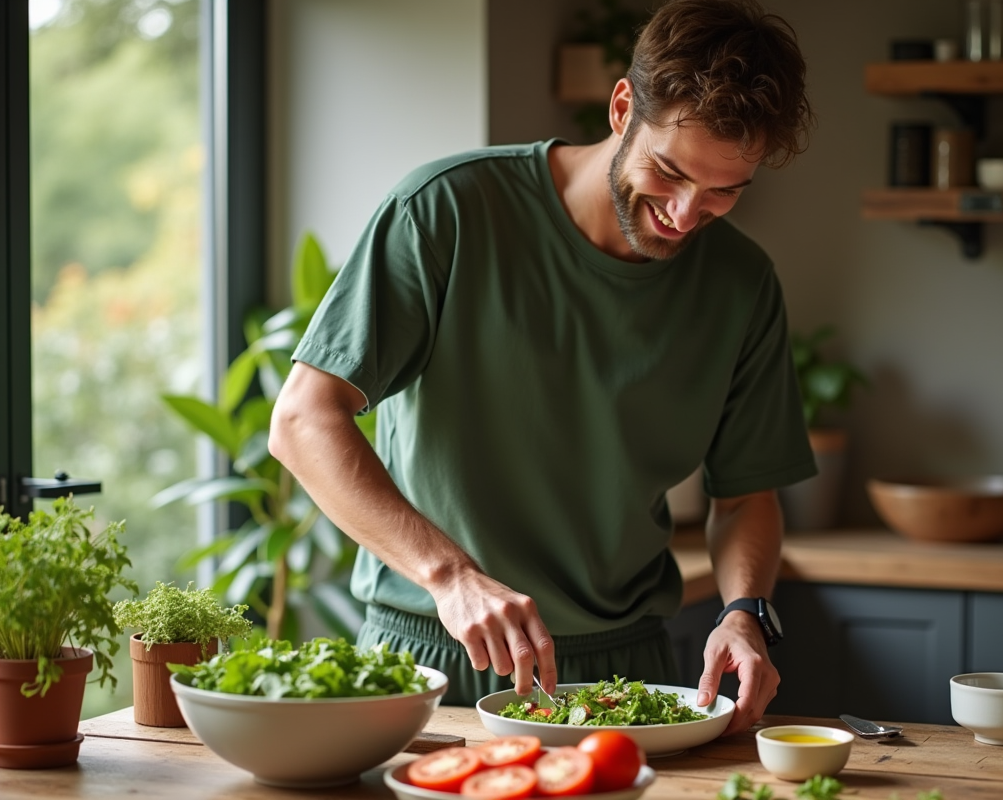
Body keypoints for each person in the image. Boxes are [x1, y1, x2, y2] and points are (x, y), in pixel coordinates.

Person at [268, 0, 817, 735]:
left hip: (626, 672)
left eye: (723, 191)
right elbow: (303, 420)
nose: (687, 214)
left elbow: (746, 496)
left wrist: (744, 611)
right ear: (622, 108)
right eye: (669, 172)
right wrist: (450, 576)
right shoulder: (446, 210)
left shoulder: (742, 284)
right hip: (434, 653)